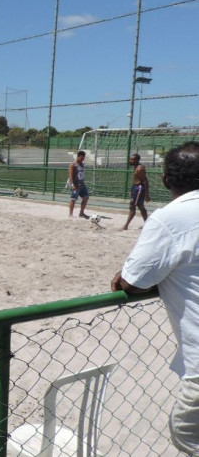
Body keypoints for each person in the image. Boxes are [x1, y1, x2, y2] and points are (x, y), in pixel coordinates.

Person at [110, 142, 199, 455]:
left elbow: (132, 282)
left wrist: (124, 278)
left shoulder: (169, 219)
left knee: (185, 434)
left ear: (165, 180)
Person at [122, 153, 150, 230]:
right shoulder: (135, 167)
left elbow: (145, 181)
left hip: (139, 188)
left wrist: (147, 195)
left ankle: (126, 226)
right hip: (136, 188)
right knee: (140, 206)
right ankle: (147, 223)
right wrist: (132, 190)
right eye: (130, 159)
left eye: (132, 159)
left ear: (137, 160)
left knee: (132, 206)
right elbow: (135, 180)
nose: (130, 161)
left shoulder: (140, 169)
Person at [68, 150, 90, 219]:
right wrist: (72, 185)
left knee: (86, 197)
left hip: (82, 184)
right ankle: (70, 214)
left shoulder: (82, 164)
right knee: (73, 199)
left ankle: (81, 213)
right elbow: (70, 175)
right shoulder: (73, 165)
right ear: (78, 157)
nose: (83, 159)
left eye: (84, 158)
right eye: (81, 158)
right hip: (76, 185)